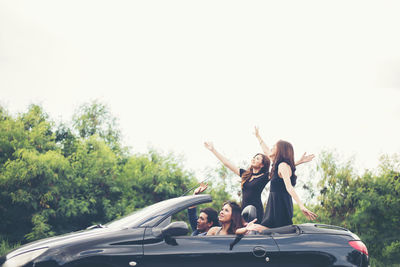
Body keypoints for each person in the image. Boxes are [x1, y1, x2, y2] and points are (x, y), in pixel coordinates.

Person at [204, 133, 313, 223]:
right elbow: (227, 163)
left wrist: (298, 162)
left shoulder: (265, 176)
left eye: (257, 158)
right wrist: (213, 150)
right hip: (244, 209)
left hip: (255, 211)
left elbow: (281, 172)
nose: (253, 159)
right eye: (253, 157)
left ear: (262, 164)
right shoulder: (245, 175)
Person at [244, 139, 317, 233]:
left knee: (269, 231)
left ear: (280, 151)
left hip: (280, 203)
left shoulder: (282, 165)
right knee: (268, 231)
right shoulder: (278, 165)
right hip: (274, 202)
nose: (271, 148)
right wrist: (258, 136)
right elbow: (266, 150)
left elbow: (289, 187)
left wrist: (301, 205)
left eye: (274, 147)